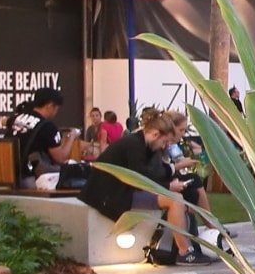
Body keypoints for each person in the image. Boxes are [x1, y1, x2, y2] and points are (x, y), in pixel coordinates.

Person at [79, 109, 207, 262]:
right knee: (175, 200)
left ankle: (185, 248)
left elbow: (150, 173)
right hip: (111, 194)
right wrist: (168, 187)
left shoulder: (142, 144)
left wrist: (168, 183)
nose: (164, 146)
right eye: (164, 142)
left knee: (179, 198)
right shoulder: (134, 145)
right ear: (155, 134)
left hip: (121, 190)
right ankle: (185, 252)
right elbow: (141, 179)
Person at [14, 87, 80, 190]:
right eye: (57, 108)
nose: (56, 112)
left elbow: (4, 121)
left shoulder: (16, 118)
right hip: (30, 178)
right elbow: (61, 159)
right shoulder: (48, 127)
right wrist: (72, 137)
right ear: (50, 105)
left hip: (10, 174)